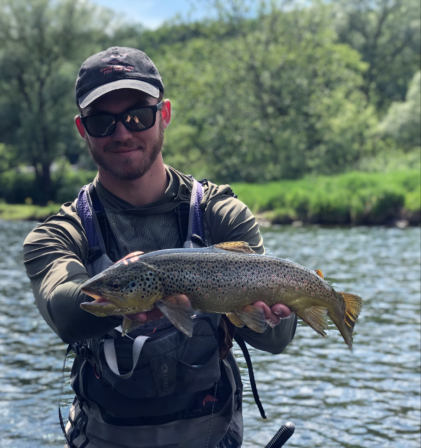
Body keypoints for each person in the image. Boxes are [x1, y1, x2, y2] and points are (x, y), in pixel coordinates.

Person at [23, 47, 297, 448]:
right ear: (83, 130)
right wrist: (131, 295)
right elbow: (65, 308)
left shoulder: (220, 213)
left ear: (163, 114)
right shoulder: (60, 231)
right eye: (102, 121)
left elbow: (278, 341)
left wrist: (271, 316)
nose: (122, 132)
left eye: (137, 115)